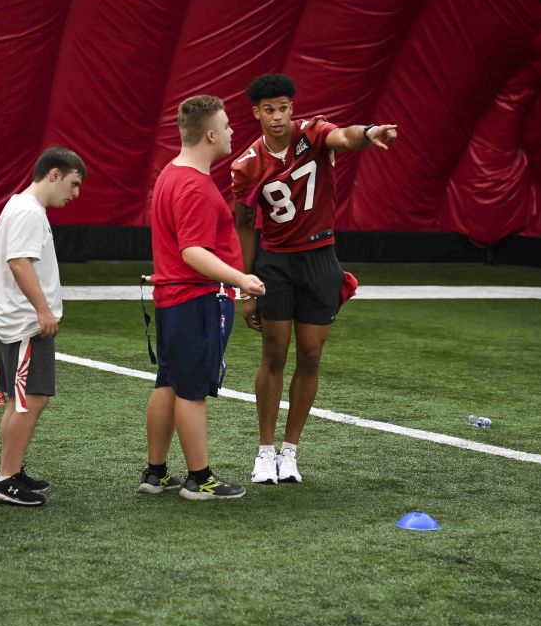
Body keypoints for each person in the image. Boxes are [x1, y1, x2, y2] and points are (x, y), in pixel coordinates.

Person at [231, 73, 398, 484]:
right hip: (276, 263)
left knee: (310, 354)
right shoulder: (247, 163)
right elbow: (246, 225)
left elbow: (346, 136)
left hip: (320, 258)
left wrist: (371, 131)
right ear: (256, 113)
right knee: (274, 352)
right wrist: (245, 286)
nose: (278, 117)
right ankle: (264, 450)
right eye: (269, 109)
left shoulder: (313, 133)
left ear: (292, 107)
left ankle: (290, 451)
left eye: (284, 107)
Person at [142, 95, 266, 500]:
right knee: (191, 390)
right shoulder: (193, 184)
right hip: (194, 299)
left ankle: (156, 472)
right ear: (211, 134)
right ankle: (200, 478)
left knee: (168, 382)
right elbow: (193, 252)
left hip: (172, 298)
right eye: (228, 125)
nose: (232, 132)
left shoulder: (169, 175)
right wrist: (241, 278)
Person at [0, 146, 85, 507]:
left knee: (20, 399)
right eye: (73, 184)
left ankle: (8, 471)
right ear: (54, 174)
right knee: (32, 399)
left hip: (14, 319)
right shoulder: (29, 211)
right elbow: (19, 262)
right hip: (26, 323)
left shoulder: (20, 206)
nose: (75, 194)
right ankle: (6, 479)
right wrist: (43, 310)